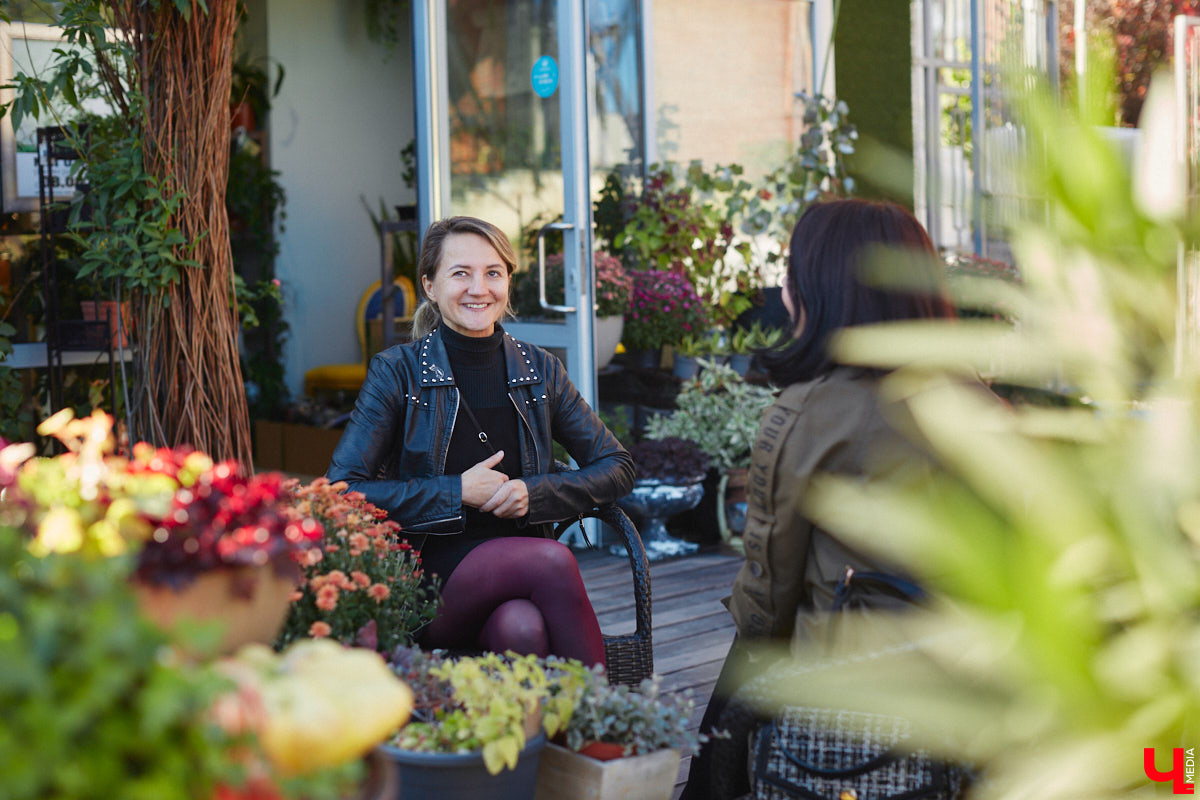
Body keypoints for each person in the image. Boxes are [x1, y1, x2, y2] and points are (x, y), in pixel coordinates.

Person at [680, 198, 958, 799]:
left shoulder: (810, 411)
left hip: (852, 690)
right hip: (972, 678)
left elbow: (767, 599)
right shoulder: (976, 400)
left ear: (823, 289)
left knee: (744, 657)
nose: (783, 291)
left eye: (791, 274)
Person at [326, 215, 634, 667]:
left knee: (522, 628)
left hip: (520, 577)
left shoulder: (539, 370)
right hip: (430, 580)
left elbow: (617, 465)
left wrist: (535, 493)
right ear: (430, 285)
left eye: (493, 273)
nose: (479, 288)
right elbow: (342, 491)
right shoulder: (399, 372)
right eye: (460, 273)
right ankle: (605, 729)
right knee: (552, 561)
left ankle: (538, 736)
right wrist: (455, 492)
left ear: (508, 281)